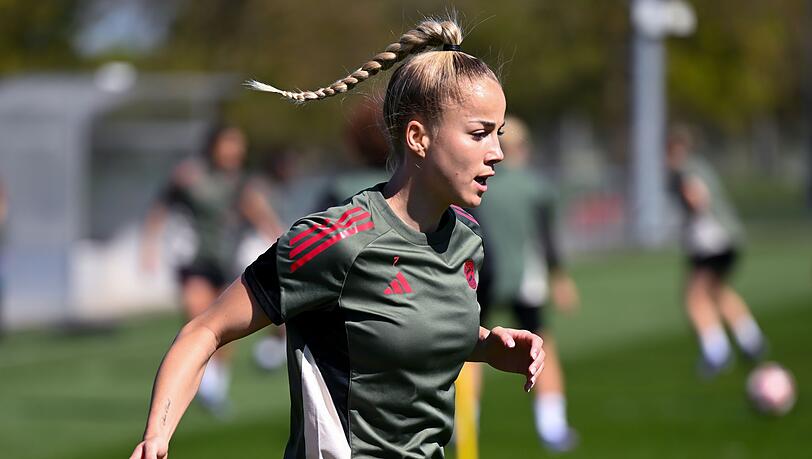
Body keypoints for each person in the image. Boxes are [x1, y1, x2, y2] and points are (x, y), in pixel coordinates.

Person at [130, 18, 545, 459]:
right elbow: (204, 330)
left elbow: (405, 328)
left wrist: (485, 346)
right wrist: (158, 435)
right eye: (479, 134)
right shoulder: (336, 240)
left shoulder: (466, 241)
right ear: (419, 138)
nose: (497, 153)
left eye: (497, 135)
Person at [141, 124, 283, 414]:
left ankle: (215, 383)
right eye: (230, 144)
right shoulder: (189, 175)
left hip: (225, 259)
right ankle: (202, 382)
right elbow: (160, 209)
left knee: (223, 325)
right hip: (193, 259)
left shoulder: (240, 182)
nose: (235, 151)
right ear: (214, 146)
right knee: (196, 313)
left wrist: (278, 236)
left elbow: (257, 210)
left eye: (239, 145)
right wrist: (150, 245)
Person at [463, 115, 580, 452]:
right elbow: (547, 238)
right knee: (543, 345)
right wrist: (559, 277)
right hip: (525, 279)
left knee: (470, 346)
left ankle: (465, 421)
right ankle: (552, 426)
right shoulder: (534, 186)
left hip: (481, 276)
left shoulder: (478, 185)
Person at [666, 124, 767, 378]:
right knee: (718, 291)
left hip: (713, 242)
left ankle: (716, 352)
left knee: (695, 297)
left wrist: (687, 210)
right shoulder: (699, 165)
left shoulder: (685, 171)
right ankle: (751, 340)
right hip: (729, 238)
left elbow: (697, 198)